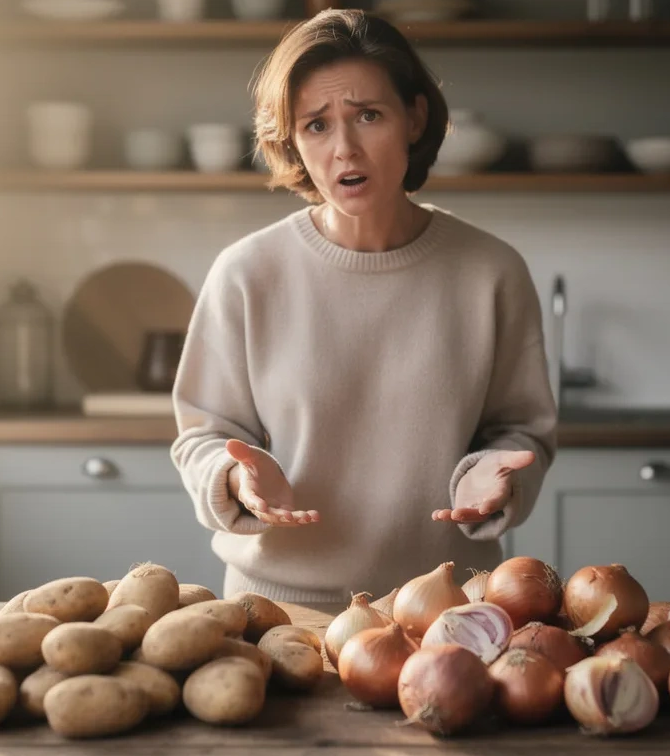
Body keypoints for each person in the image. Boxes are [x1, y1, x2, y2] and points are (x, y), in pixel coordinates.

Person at [170, 8, 558, 604]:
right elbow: (203, 436)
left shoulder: (492, 272)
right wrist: (236, 477)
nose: (344, 149)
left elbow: (522, 428)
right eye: (316, 125)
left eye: (368, 115)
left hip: (448, 609)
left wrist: (495, 473)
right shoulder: (246, 273)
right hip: (277, 610)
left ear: (415, 118)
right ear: (292, 142)